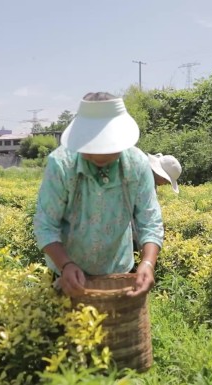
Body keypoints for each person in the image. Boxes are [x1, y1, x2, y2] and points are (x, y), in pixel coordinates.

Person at [33, 92, 164, 298]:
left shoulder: (137, 164)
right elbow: (45, 224)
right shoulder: (61, 165)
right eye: (91, 145)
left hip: (119, 272)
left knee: (121, 329)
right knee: (67, 328)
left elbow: (150, 221)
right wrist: (65, 264)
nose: (98, 154)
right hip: (67, 275)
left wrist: (147, 263)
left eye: (106, 146)